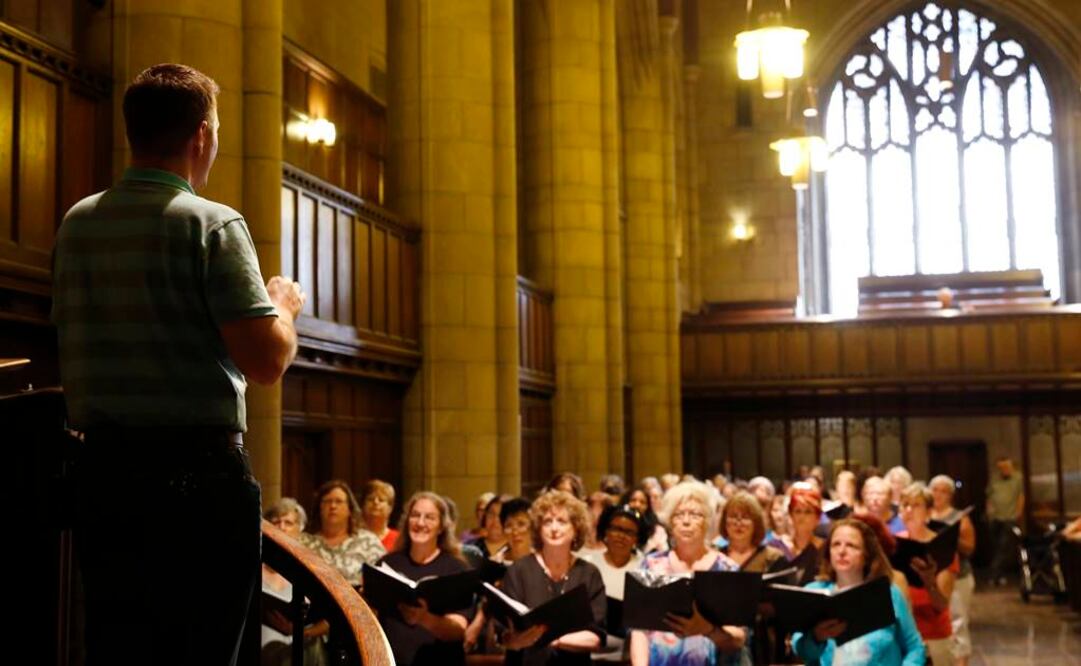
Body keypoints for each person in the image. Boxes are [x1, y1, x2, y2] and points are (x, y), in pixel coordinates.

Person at [54, 63, 306, 666]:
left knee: (119, 650)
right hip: (194, 484)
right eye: (215, 129)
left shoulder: (78, 222)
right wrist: (283, 308)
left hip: (101, 476)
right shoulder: (210, 223)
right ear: (201, 136)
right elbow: (266, 361)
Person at [629, 481, 748, 666]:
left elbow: (739, 639)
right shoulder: (651, 564)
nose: (686, 521)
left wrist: (707, 629)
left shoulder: (727, 569)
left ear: (707, 521)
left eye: (694, 514)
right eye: (678, 514)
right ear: (669, 521)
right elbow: (639, 630)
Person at [792, 518, 926, 666]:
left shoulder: (889, 593)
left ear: (866, 555)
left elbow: (915, 647)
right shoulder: (813, 592)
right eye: (836, 544)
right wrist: (817, 636)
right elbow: (801, 651)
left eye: (851, 545)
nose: (842, 551)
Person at [500, 490, 607, 666]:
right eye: (547, 522)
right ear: (538, 529)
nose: (554, 528)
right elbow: (506, 635)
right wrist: (516, 641)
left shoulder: (589, 573)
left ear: (576, 528)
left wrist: (551, 639)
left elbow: (595, 637)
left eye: (562, 521)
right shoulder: (518, 571)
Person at [375, 492, 474, 665]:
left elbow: (458, 630)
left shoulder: (457, 569)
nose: (420, 523)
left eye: (429, 517)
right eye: (415, 515)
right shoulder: (387, 564)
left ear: (442, 526)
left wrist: (423, 618)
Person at [463, 497, 533, 655]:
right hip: (496, 634)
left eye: (521, 524)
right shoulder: (494, 563)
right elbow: (485, 601)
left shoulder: (541, 562)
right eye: (508, 525)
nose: (515, 531)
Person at [898, 483, 958, 666]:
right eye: (905, 505)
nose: (909, 510)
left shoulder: (942, 548)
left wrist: (929, 581)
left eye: (916, 505)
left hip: (933, 634)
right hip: (903, 634)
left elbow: (941, 604)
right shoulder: (895, 543)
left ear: (929, 512)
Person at [262, 498, 328, 666]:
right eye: (276, 522)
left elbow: (330, 616)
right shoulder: (254, 570)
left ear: (300, 530)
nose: (281, 527)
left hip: (303, 650)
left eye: (288, 523)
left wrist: (302, 632)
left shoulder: (310, 570)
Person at [582, 504, 647, 662]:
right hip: (587, 653)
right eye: (616, 529)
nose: (621, 536)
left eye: (629, 532)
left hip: (629, 656)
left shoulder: (645, 567)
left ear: (636, 538)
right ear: (606, 531)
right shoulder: (587, 565)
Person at [299, 480, 385, 587]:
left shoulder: (369, 542)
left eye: (339, 501)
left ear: (349, 509)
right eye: (327, 501)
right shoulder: (303, 542)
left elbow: (382, 581)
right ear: (319, 507)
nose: (333, 506)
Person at [929, 475, 976, 666]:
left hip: (958, 576)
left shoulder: (959, 517)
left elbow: (969, 548)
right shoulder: (926, 514)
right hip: (932, 576)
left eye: (943, 491)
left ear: (951, 495)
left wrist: (949, 536)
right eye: (935, 490)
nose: (938, 495)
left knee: (958, 624)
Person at [717, 491, 784, 572]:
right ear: (724, 522)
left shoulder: (773, 559)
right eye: (733, 516)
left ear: (756, 523)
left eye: (745, 517)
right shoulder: (714, 558)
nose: (739, 523)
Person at [986, 456, 1024, 585]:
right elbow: (989, 496)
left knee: (1004, 547)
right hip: (996, 518)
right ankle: (999, 575)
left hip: (1010, 517)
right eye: (1001, 468)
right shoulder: (995, 479)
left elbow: (1021, 496)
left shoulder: (1019, 478)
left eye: (1006, 467)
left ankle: (994, 574)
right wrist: (989, 512)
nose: (1004, 470)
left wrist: (1018, 514)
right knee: (996, 547)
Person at [622, 485, 668, 554]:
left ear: (647, 507)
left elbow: (663, 553)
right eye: (633, 500)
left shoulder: (657, 530)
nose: (637, 505)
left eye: (642, 502)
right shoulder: (617, 526)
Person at [361, 479, 400, 551]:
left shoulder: (399, 540)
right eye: (370, 499)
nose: (375, 502)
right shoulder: (353, 537)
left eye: (381, 500)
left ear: (390, 508)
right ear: (363, 506)